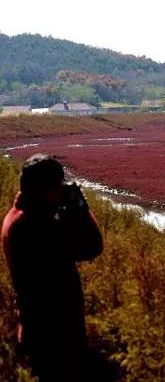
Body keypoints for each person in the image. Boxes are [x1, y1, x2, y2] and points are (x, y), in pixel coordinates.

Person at [1, 154, 111, 381]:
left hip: (38, 327)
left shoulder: (18, 214)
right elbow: (92, 246)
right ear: (45, 190)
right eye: (57, 186)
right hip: (55, 335)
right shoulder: (34, 226)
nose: (62, 190)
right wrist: (79, 207)